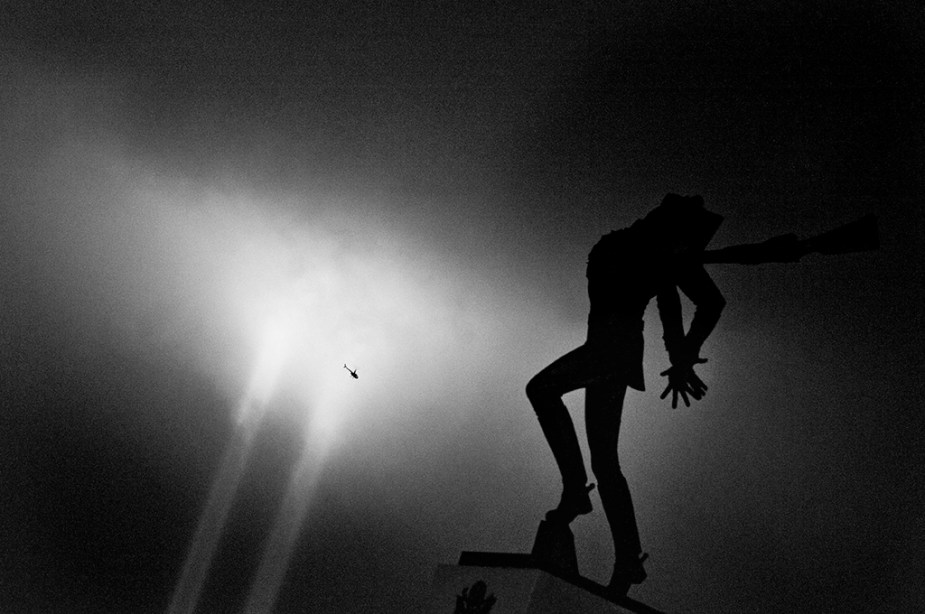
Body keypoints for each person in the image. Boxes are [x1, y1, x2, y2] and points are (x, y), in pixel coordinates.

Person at [525, 194, 726, 596]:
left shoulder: (662, 260)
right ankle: (628, 557)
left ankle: (575, 490)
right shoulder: (639, 248)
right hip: (605, 348)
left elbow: (694, 304)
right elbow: (677, 303)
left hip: (612, 350)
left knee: (541, 389)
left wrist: (683, 354)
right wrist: (680, 353)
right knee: (605, 460)